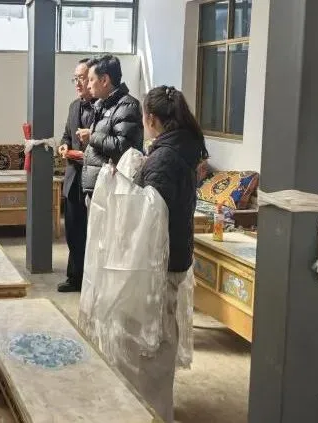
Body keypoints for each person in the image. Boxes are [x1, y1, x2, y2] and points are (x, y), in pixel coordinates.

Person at [132, 86, 208, 422]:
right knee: (163, 334)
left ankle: (155, 412)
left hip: (160, 262)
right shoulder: (182, 148)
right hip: (175, 255)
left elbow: (151, 218)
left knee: (155, 342)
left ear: (151, 118)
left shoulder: (164, 158)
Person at [56, 58, 95, 293]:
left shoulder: (102, 109)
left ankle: (91, 280)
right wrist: (64, 146)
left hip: (93, 179)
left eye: (82, 78)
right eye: (76, 79)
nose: (78, 83)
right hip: (73, 178)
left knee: (92, 232)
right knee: (73, 231)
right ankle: (75, 277)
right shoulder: (73, 106)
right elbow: (66, 135)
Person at [82, 55, 143, 199]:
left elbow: (124, 147)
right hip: (99, 188)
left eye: (91, 80)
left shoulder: (127, 105)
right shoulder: (103, 105)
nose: (88, 85)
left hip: (112, 192)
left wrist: (92, 137)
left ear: (104, 80)